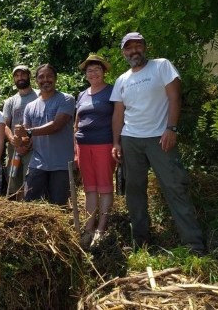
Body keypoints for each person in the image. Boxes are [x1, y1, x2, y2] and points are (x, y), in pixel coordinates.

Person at [110, 32, 206, 253]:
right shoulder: (122, 80)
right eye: (129, 48)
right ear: (124, 52)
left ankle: (194, 246)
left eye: (138, 46)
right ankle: (141, 243)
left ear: (145, 47)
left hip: (160, 138)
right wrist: (116, 142)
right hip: (131, 140)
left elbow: (175, 97)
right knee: (134, 191)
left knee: (175, 187)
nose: (134, 51)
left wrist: (171, 128)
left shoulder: (161, 66)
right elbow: (118, 114)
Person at [13, 64, 75, 205]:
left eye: (49, 76)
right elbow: (26, 138)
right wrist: (19, 141)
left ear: (55, 79)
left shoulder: (66, 99)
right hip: (37, 163)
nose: (45, 80)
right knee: (30, 205)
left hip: (61, 165)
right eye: (41, 77)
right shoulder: (30, 106)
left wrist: (28, 132)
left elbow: (56, 126)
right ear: (36, 80)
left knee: (58, 206)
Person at [74, 54, 116, 248]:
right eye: (89, 70)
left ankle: (101, 227)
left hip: (104, 144)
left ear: (104, 71)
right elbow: (77, 123)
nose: (93, 73)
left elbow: (119, 118)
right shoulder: (82, 94)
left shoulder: (112, 91)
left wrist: (118, 143)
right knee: (90, 187)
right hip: (83, 146)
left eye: (96, 69)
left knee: (105, 186)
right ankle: (89, 227)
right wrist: (75, 149)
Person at [3, 65, 38, 199]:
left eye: (23, 75)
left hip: (33, 146)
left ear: (29, 76)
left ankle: (29, 207)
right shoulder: (10, 101)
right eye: (17, 76)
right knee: (13, 181)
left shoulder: (39, 95)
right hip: (14, 148)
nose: (20, 78)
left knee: (30, 180)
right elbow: (5, 125)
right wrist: (12, 139)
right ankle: (18, 209)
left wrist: (31, 141)